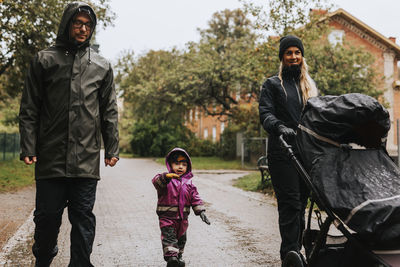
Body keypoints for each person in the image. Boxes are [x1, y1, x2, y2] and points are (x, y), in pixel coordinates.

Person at [19, 2, 119, 266]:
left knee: (83, 217)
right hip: (50, 157)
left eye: (88, 24)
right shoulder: (44, 60)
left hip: (85, 160)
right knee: (47, 218)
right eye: (78, 23)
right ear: (67, 24)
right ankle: (43, 257)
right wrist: (29, 146)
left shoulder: (102, 66)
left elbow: (109, 111)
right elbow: (29, 107)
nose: (83, 28)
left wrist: (112, 148)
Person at [258, 35, 318, 262]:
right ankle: (289, 255)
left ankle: (298, 252)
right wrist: (279, 126)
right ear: (282, 57)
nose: (293, 57)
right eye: (289, 53)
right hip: (282, 152)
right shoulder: (272, 84)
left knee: (302, 203)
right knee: (290, 203)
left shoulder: (309, 87)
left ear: (302, 56)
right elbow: (265, 113)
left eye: (297, 52)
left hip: (304, 152)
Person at [152, 148, 211, 267]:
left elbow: (195, 198)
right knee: (169, 238)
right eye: (177, 164)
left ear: (188, 167)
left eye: (184, 165)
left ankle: (178, 257)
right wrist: (166, 176)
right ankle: (171, 258)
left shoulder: (189, 184)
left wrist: (201, 212)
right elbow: (156, 181)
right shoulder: (166, 181)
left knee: (181, 239)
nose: (180, 167)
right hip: (167, 218)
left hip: (183, 219)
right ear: (170, 164)